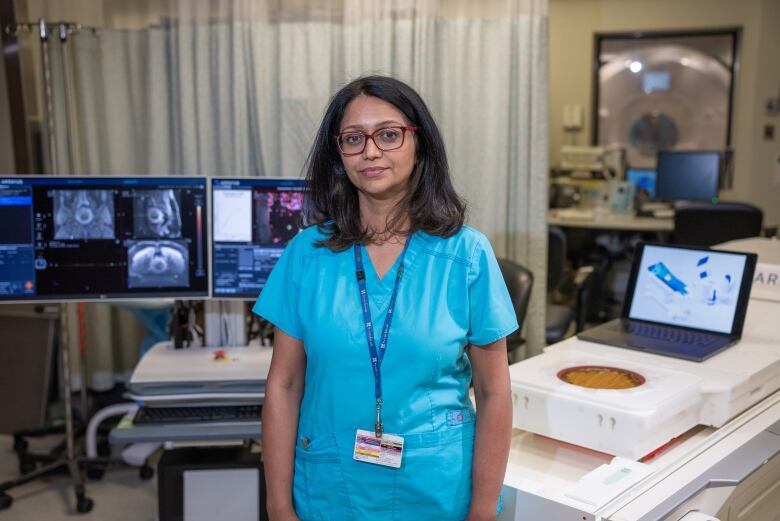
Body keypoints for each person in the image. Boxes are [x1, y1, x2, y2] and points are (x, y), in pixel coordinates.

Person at [254, 75, 517, 521]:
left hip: (435, 489)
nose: (371, 151)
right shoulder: (307, 254)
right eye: (353, 139)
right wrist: (278, 506)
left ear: (420, 144)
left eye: (389, 134)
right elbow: (283, 386)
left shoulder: (466, 254)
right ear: (338, 155)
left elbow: (494, 392)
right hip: (329, 486)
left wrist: (483, 509)